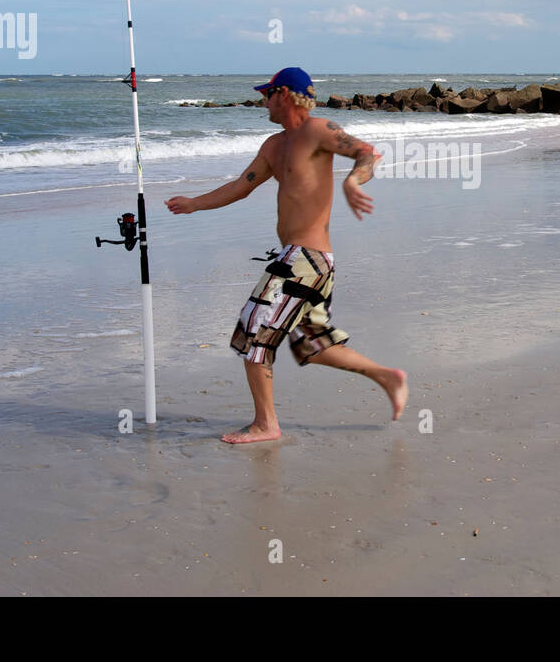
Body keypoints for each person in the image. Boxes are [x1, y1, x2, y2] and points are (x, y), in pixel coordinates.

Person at [165, 67, 408, 444]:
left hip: (306, 259)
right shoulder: (273, 146)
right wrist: (194, 204)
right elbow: (240, 187)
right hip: (303, 260)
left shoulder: (317, 130)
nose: (263, 101)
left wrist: (353, 180)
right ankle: (386, 376)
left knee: (254, 330)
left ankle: (266, 424)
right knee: (313, 344)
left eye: (267, 94)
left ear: (284, 95)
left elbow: (367, 153)